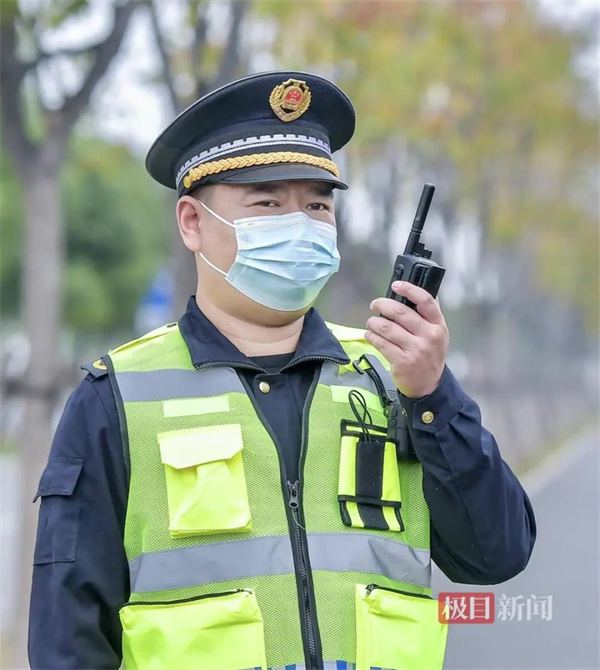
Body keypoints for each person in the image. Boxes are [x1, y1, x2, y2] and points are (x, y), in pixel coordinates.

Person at [28, 71, 536, 670]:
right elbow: (69, 640)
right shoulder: (116, 396)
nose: (300, 224)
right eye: (267, 203)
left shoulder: (396, 377)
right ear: (192, 222)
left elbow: (496, 555)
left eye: (317, 205)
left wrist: (433, 397)